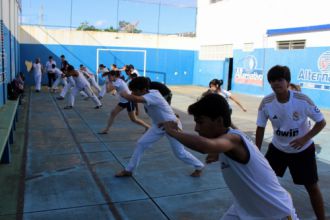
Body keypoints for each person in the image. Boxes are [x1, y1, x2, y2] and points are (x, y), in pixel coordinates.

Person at [161, 93, 298, 219]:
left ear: (219, 121)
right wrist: (218, 153)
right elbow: (218, 143)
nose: (196, 128)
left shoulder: (234, 139)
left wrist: (172, 132)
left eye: (200, 122)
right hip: (244, 208)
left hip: (274, 213)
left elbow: (204, 146)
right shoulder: (231, 135)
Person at [255, 65, 326, 220]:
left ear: (288, 82)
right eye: (272, 80)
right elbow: (260, 128)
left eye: (280, 79)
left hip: (303, 150)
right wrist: (256, 152)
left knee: (312, 187)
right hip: (277, 149)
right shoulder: (266, 102)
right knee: (263, 182)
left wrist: (304, 138)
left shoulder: (302, 100)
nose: (276, 83)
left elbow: (321, 122)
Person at [115, 76, 204, 177]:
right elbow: (135, 98)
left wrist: (123, 92)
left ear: (143, 90)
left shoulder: (153, 95)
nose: (133, 93)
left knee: (180, 153)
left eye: (135, 91)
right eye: (132, 91)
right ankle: (129, 170)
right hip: (158, 125)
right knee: (141, 143)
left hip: (172, 126)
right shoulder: (149, 93)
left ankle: (199, 166)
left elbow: (134, 98)